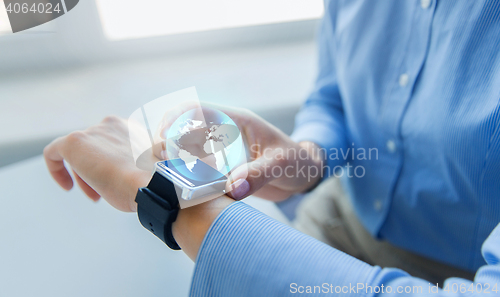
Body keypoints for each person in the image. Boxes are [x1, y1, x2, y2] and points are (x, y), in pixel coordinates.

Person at [43, 0, 500, 295]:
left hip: (453, 274)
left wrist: (168, 200)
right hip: (334, 215)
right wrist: (309, 156)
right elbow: (332, 96)